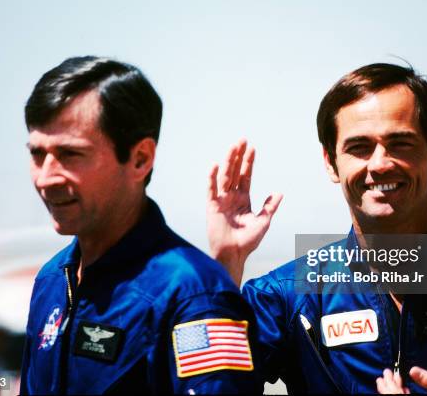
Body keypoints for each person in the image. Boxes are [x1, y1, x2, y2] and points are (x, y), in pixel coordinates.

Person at [206, 63, 427, 393]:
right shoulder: (287, 296)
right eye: (359, 147)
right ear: (331, 163)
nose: (380, 164)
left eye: (400, 144)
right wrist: (225, 266)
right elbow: (211, 387)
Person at [20, 56, 260, 394]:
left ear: (140, 159)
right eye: (37, 154)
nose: (46, 178)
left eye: (70, 155)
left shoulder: (195, 295)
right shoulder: (51, 279)